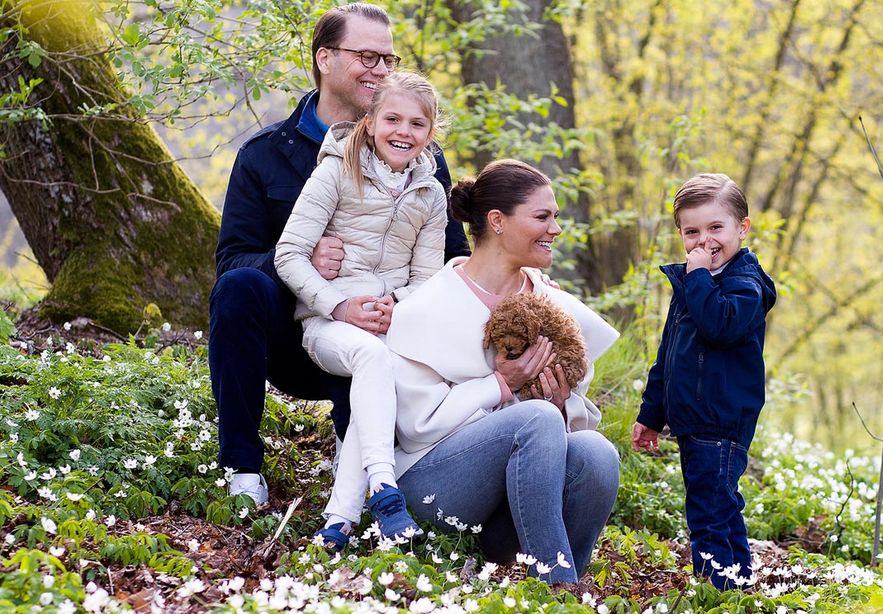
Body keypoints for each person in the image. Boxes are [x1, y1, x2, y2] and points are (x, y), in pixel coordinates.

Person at [209, 3, 470, 505]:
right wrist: (310, 263)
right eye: (366, 56)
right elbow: (234, 259)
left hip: (385, 330)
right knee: (239, 287)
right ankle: (243, 468)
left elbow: (449, 256)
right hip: (296, 332)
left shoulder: (421, 160)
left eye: (388, 60)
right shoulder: (264, 154)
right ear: (324, 58)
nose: (379, 70)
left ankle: (370, 459)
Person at [385, 159, 621, 585]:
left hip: (512, 506)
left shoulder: (552, 304)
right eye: (542, 217)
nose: (556, 229)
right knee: (537, 419)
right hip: (435, 488)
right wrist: (499, 386)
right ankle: (560, 589)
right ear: (497, 221)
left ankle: (557, 575)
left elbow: (567, 421)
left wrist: (561, 403)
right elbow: (415, 428)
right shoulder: (428, 306)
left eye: (556, 217)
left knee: (597, 453)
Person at [275, 71, 446, 546]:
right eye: (392, 118)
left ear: (430, 134)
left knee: (383, 375)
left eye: (416, 124)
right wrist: (340, 306)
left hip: (389, 327)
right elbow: (288, 254)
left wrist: (399, 303)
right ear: (369, 122)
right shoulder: (335, 170)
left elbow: (427, 278)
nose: (403, 132)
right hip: (329, 326)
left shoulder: (430, 195)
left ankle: (337, 522)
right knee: (373, 359)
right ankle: (384, 488)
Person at [631, 173, 777, 590]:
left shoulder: (745, 284)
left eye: (716, 228)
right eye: (691, 231)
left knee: (709, 511)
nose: (703, 240)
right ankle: (736, 585)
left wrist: (696, 278)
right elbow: (669, 354)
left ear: (742, 228)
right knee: (719, 507)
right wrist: (651, 414)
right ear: (679, 232)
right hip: (694, 420)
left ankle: (716, 590)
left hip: (722, 418)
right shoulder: (692, 283)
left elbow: (721, 327)